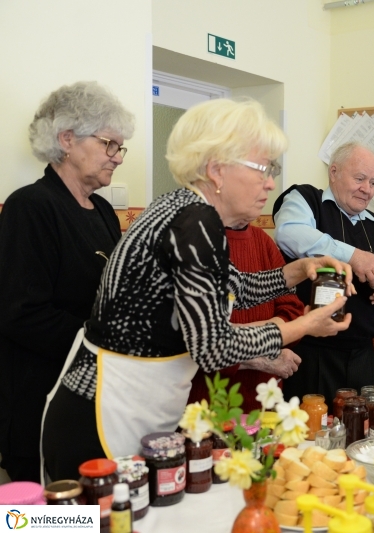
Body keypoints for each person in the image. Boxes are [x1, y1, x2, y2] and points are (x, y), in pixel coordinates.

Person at [41, 98, 353, 481]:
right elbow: (213, 346)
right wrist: (302, 326)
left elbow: (231, 286)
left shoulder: (189, 211)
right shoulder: (195, 221)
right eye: (263, 168)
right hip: (101, 413)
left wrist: (298, 271)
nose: (271, 182)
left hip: (127, 406)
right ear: (217, 170)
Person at [0, 81, 133, 481]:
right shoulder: (31, 207)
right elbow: (21, 314)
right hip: (41, 402)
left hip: (96, 395)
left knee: (98, 516)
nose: (118, 157)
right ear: (67, 140)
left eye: (120, 147)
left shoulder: (104, 211)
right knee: (50, 519)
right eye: (110, 144)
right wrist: (105, 343)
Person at [273, 142, 374, 405]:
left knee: (359, 430)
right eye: (360, 179)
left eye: (373, 182)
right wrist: (353, 256)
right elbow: (289, 232)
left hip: (362, 354)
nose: (367, 189)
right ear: (334, 172)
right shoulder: (306, 200)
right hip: (310, 350)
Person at [187, 222, 305, 412]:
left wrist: (303, 268)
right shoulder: (191, 242)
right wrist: (264, 354)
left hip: (262, 403)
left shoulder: (262, 241)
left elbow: (245, 288)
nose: (267, 190)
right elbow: (203, 340)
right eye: (257, 188)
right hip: (204, 407)